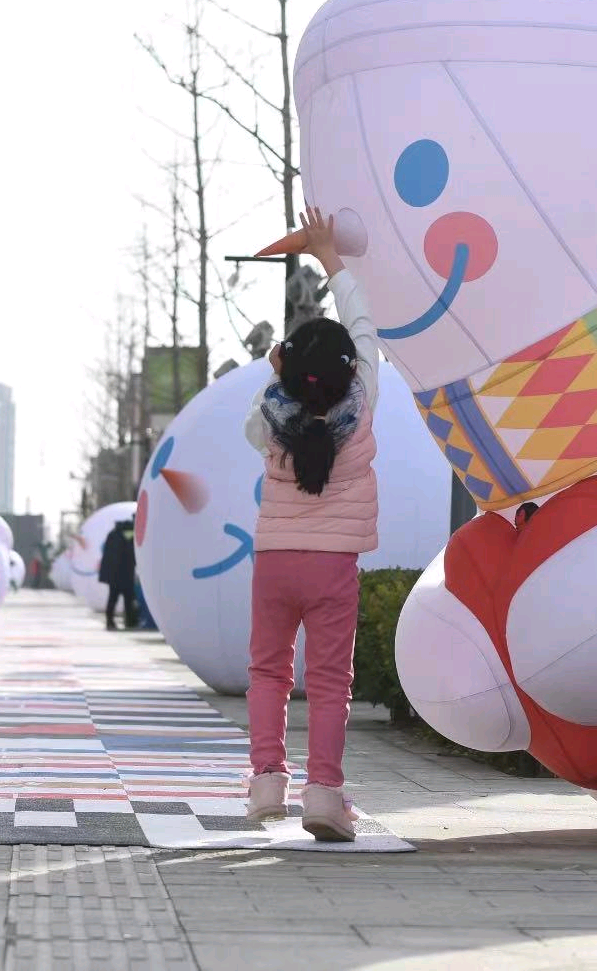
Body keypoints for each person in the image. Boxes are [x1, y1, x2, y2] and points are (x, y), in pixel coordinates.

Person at [241, 206, 379, 841]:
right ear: (351, 367)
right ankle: (324, 796)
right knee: (329, 682)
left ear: (287, 370)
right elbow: (364, 324)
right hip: (333, 565)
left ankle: (266, 783)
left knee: (269, 670)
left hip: (274, 560)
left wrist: (277, 377)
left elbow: (252, 428)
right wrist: (330, 255)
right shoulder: (364, 399)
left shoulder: (272, 413)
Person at [99, 519, 137, 629]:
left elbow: (107, 555)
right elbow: (132, 554)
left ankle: (109, 621)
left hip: (113, 575)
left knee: (112, 598)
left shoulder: (112, 534)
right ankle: (130, 622)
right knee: (128, 599)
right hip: (126, 574)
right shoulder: (130, 535)